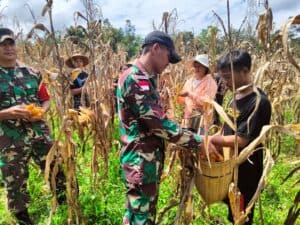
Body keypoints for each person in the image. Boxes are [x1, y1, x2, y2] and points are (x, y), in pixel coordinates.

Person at [116, 30, 216, 225]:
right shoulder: (136, 79)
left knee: (135, 214)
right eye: (168, 58)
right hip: (141, 163)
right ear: (155, 48)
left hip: (144, 162)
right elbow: (157, 123)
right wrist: (197, 142)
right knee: (142, 219)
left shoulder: (144, 78)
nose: (168, 64)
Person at [0, 28, 66, 225]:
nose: (8, 48)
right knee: (14, 178)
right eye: (3, 44)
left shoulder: (32, 73)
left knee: (56, 166)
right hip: (9, 138)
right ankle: (21, 217)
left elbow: (45, 99)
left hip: (39, 133)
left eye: (11, 43)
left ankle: (65, 204)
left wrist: (42, 111)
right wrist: (7, 113)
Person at [210, 50, 271, 224]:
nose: (225, 82)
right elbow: (227, 127)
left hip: (247, 170)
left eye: (228, 77)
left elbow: (241, 140)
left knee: (242, 215)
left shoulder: (258, 102)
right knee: (232, 209)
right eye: (223, 77)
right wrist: (215, 135)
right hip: (231, 165)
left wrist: (209, 141)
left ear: (245, 71)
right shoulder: (234, 97)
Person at [179, 54, 218, 133]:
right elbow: (182, 101)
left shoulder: (210, 82)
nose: (196, 69)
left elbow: (207, 102)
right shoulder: (189, 81)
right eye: (195, 66)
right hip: (188, 119)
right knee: (186, 142)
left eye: (199, 66)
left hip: (202, 121)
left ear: (205, 68)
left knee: (200, 142)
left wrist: (190, 94)